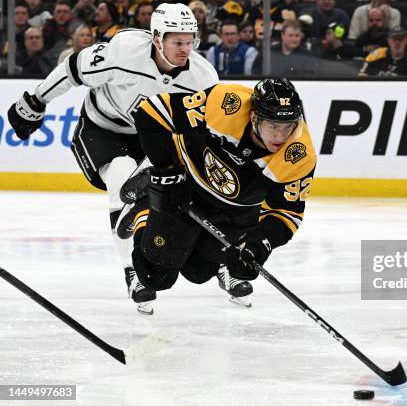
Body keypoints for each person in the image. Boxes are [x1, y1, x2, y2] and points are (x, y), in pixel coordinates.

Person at [6, 3, 219, 315]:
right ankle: (132, 272)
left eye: (190, 41)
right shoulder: (124, 52)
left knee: (166, 194)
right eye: (177, 42)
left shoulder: (202, 77)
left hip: (153, 140)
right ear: (157, 39)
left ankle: (218, 259)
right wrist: (36, 100)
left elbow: (207, 130)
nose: (185, 49)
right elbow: (73, 69)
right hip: (102, 128)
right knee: (121, 175)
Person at [118, 79, 316, 311]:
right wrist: (166, 172)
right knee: (155, 276)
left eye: (288, 126)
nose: (281, 136)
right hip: (186, 182)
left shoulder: (299, 155)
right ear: (254, 118)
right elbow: (152, 111)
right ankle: (146, 204)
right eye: (273, 126)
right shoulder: (225, 103)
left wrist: (259, 245)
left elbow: (287, 214)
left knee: (198, 272)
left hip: (235, 207)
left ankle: (214, 257)